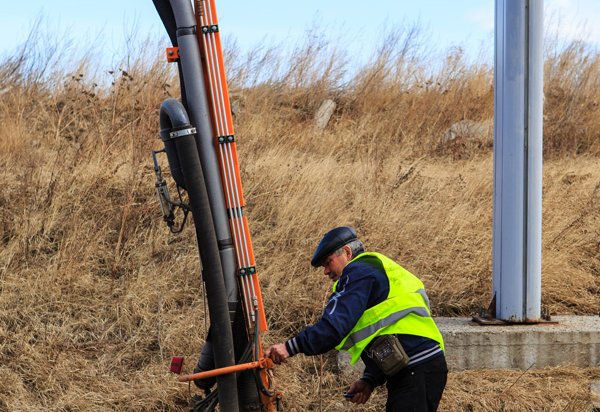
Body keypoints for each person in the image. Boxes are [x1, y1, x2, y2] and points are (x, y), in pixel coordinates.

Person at [266, 226, 447, 411]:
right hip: (418, 366)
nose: (326, 271)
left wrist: (290, 347)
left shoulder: (358, 272)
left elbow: (335, 326)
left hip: (416, 369)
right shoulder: (371, 270)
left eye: (328, 262)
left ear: (347, 252)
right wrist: (370, 379)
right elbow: (385, 335)